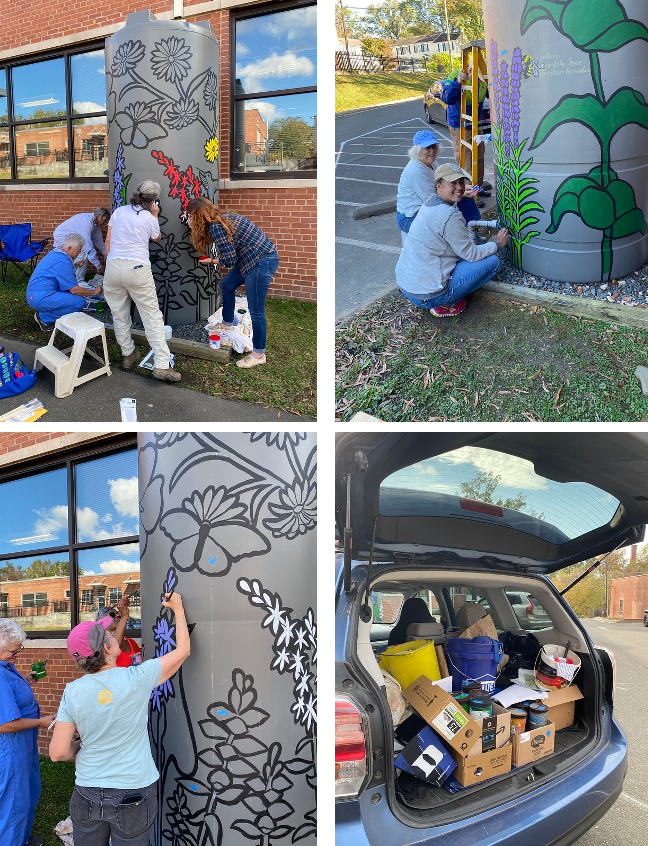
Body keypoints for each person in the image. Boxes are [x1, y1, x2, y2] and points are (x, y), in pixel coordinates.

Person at [49, 591, 190, 846]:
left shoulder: (72, 691)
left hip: (87, 792)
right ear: (107, 648)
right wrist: (178, 609)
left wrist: (80, 746)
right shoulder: (136, 678)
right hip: (132, 793)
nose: (114, 636)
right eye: (110, 635)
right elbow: (182, 651)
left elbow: (58, 753)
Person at [395, 162, 508, 318]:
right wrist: (498, 244)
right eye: (452, 183)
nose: (459, 187)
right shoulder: (448, 215)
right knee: (492, 262)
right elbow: (471, 254)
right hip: (428, 294)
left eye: (461, 182)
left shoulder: (429, 203)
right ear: (439, 186)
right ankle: (446, 302)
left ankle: (441, 296)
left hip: (407, 284)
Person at [186, 197, 279, 369]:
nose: (188, 220)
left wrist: (211, 260)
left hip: (261, 261)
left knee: (256, 310)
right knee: (227, 286)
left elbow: (229, 260)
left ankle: (259, 355)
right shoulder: (223, 219)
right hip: (251, 259)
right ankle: (228, 322)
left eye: (190, 216)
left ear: (197, 216)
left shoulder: (216, 227)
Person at [103, 181, 180, 383]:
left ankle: (128, 354)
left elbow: (108, 240)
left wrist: (110, 262)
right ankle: (161, 364)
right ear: (154, 200)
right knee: (151, 315)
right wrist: (155, 215)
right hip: (137, 268)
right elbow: (157, 238)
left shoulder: (119, 211)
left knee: (119, 313)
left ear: (136, 193)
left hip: (113, 266)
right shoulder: (149, 217)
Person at [0, 619, 56, 846]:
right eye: (13, 651)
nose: (18, 655)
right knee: (14, 802)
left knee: (28, 792)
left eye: (19, 649)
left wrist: (26, 680)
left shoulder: (6, 666)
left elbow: (10, 693)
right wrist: (41, 722)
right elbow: (5, 724)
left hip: (23, 745)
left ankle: (21, 838)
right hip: (11, 748)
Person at [397, 129, 484, 247]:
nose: (432, 151)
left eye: (434, 146)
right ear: (418, 149)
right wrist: (460, 192)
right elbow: (433, 201)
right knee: (453, 206)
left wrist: (463, 188)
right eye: (427, 148)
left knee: (462, 197)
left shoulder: (430, 162)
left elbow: (443, 183)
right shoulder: (416, 171)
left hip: (423, 207)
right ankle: (460, 241)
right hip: (410, 217)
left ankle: (472, 232)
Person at [26, 234, 103, 331]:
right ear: (70, 248)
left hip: (36, 294)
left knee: (72, 298)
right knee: (79, 302)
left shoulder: (57, 253)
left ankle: (46, 314)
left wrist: (74, 265)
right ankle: (44, 318)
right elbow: (74, 290)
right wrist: (94, 292)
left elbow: (59, 271)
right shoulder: (64, 261)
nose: (79, 253)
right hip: (41, 297)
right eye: (78, 250)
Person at [442, 64, 491, 193]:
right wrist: (458, 83)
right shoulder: (455, 75)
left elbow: (491, 95)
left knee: (479, 157)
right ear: (469, 70)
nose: (477, 78)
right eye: (473, 74)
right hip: (460, 125)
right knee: (466, 159)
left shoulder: (482, 78)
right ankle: (469, 193)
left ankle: (478, 189)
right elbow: (447, 98)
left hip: (476, 123)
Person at [53, 208, 109, 283]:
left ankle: (73, 279)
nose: (105, 223)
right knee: (82, 253)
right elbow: (87, 245)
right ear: (99, 216)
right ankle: (78, 281)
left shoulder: (96, 225)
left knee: (79, 254)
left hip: (71, 237)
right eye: (104, 220)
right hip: (62, 236)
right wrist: (97, 264)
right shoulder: (87, 222)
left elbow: (99, 242)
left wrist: (106, 253)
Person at [94, 595, 141, 667]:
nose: (118, 615)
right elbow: (115, 647)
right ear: (102, 622)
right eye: (112, 614)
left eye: (118, 613)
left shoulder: (131, 642)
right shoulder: (102, 644)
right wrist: (124, 616)